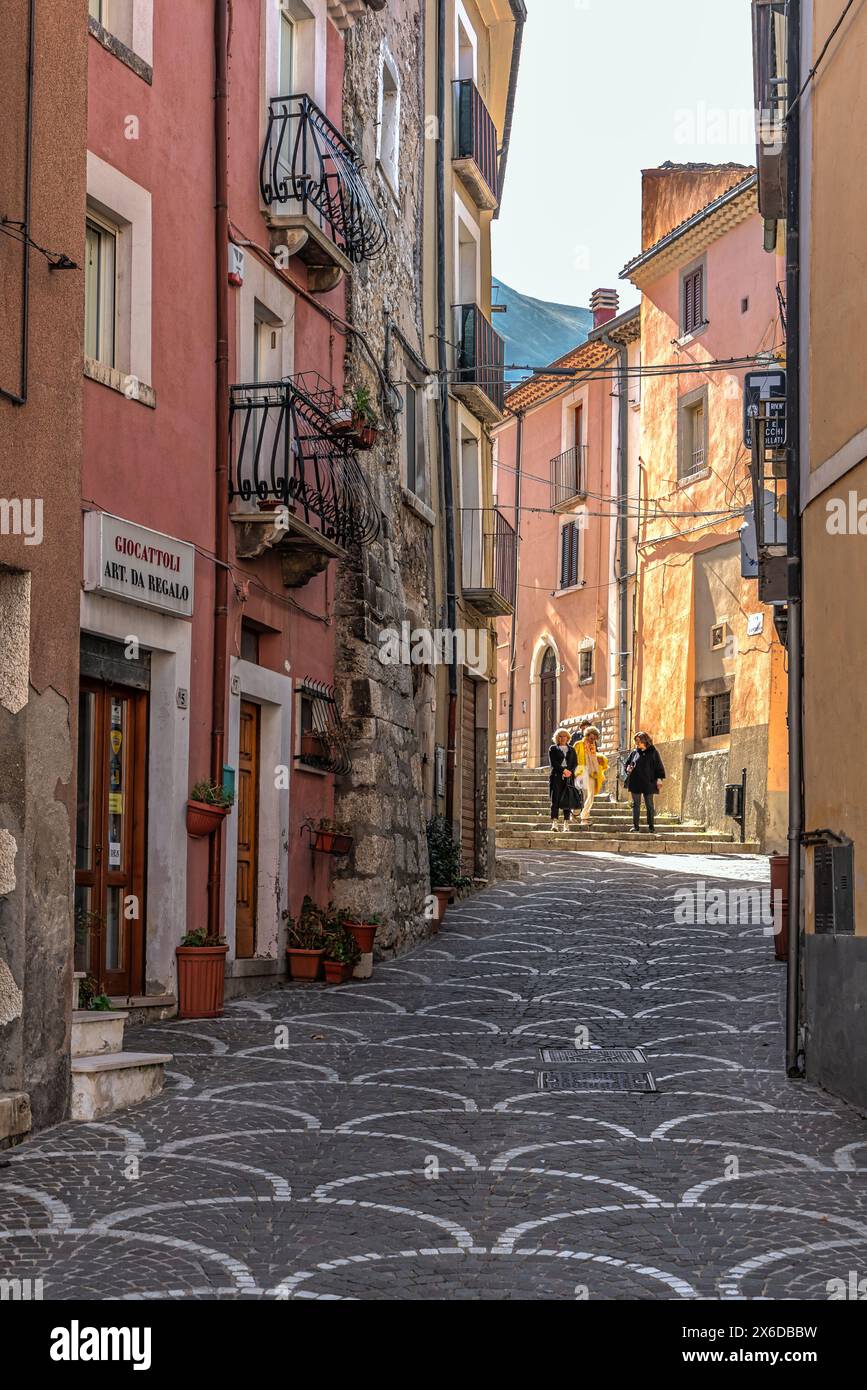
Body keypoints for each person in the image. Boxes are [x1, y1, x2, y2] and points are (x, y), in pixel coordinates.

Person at [624, 731, 666, 833]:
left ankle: (651, 827)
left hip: (649, 782)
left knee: (649, 805)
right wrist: (628, 768)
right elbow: (626, 764)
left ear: (644, 740)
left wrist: (659, 779)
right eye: (636, 741)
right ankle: (635, 827)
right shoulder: (634, 752)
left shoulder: (653, 752)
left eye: (638, 741)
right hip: (635, 782)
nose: (637, 743)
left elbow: (659, 767)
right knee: (636, 804)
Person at [574, 725, 608, 826]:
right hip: (581, 771)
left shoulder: (593, 746)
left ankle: (584, 817)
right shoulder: (578, 744)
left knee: (590, 795)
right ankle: (575, 813)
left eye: (594, 738)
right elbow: (573, 757)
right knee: (581, 795)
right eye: (591, 737)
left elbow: (594, 757)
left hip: (592, 772)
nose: (592, 740)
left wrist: (602, 759)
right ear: (587, 735)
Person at [548, 727, 580, 831]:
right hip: (556, 776)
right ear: (557, 738)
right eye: (560, 736)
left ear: (568, 737)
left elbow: (575, 763)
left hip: (569, 777)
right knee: (555, 799)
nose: (562, 738)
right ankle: (555, 823)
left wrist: (569, 771)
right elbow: (553, 763)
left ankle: (566, 824)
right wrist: (563, 770)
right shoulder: (553, 749)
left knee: (567, 799)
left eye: (564, 736)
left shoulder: (572, 749)